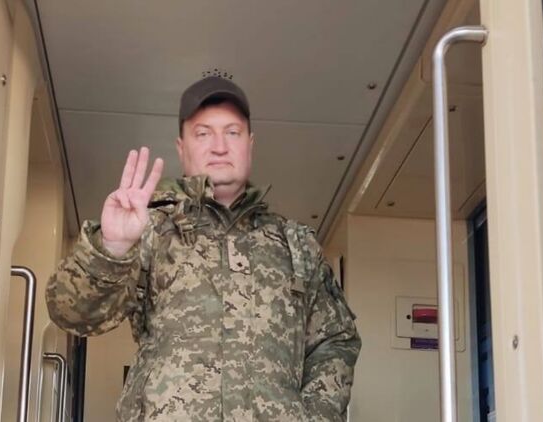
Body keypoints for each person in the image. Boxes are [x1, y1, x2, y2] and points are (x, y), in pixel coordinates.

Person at [46, 76, 361, 421]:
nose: (219, 146)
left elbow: (336, 339)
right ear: (181, 147)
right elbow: (71, 315)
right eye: (203, 133)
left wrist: (311, 417)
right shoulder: (151, 231)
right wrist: (113, 248)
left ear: (250, 144)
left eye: (232, 132)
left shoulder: (296, 245)